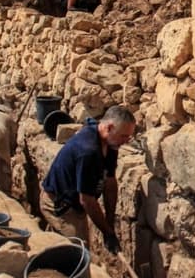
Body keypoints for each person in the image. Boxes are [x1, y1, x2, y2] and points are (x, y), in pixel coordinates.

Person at [40, 105, 136, 253]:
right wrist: (107, 232)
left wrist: (109, 222)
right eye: (124, 136)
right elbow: (86, 200)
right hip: (59, 204)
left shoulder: (111, 143)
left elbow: (110, 182)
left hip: (76, 202)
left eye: (129, 136)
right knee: (79, 252)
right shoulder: (88, 151)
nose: (126, 141)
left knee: (66, 247)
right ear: (109, 128)